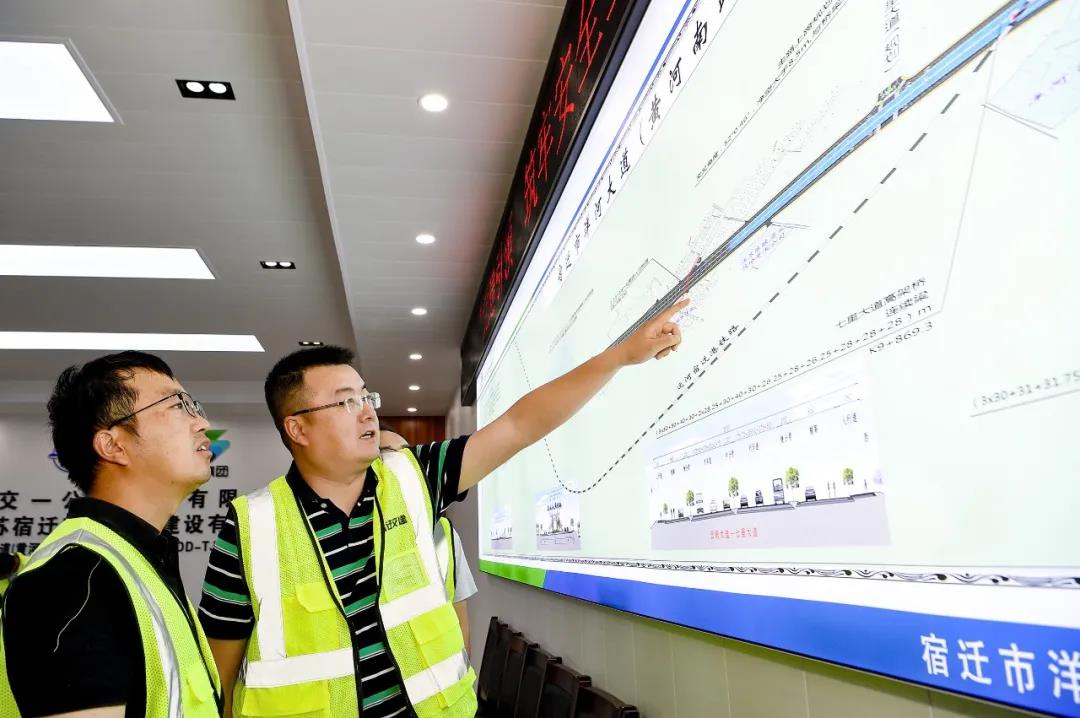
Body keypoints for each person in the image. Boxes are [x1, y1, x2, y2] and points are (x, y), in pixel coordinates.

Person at [199, 298, 687, 718]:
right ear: (298, 428)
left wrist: (619, 357)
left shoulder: (415, 477)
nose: (368, 411)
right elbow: (219, 677)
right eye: (346, 402)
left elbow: (519, 425)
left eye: (367, 396)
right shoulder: (249, 528)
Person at [0, 351, 223, 718]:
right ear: (113, 446)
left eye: (193, 406)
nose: (202, 422)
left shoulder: (137, 561)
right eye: (176, 406)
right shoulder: (75, 578)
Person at [379, 425, 479, 653]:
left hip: (443, 669)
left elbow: (460, 618)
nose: (401, 464)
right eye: (388, 456)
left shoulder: (444, 532)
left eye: (408, 455)